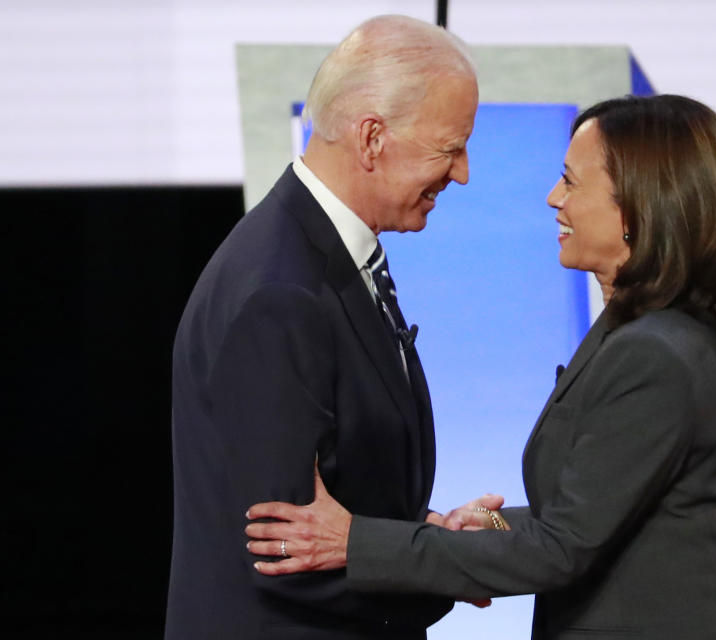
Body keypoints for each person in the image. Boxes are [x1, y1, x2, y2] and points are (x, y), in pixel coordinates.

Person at [244, 94, 716, 639]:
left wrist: (353, 542)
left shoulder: (655, 352)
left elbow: (563, 548)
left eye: (572, 182)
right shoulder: (644, 331)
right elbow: (603, 514)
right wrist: (494, 525)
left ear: (640, 206)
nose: (555, 198)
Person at [165, 15, 497, 639]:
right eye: (450, 148)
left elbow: (344, 504)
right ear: (372, 138)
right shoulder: (282, 291)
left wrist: (425, 534)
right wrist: (449, 565)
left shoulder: (326, 256)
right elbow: (287, 555)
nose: (462, 173)